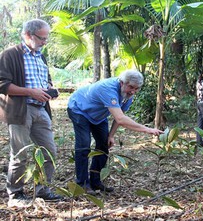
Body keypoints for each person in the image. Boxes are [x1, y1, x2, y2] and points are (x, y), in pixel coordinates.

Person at [67, 69, 163, 193]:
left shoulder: (127, 96)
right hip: (79, 109)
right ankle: (82, 183)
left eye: (137, 88)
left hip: (99, 115)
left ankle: (95, 181)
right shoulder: (108, 89)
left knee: (104, 145)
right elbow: (120, 118)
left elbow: (119, 117)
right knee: (84, 145)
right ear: (122, 82)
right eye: (131, 87)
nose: (133, 91)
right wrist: (147, 129)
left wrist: (111, 136)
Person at [0, 19, 62, 208]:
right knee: (21, 153)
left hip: (41, 110)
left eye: (46, 38)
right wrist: (30, 91)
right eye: (41, 38)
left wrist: (49, 88)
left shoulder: (40, 56)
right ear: (28, 35)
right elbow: (2, 84)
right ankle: (15, 193)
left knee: (49, 151)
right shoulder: (10, 55)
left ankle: (42, 189)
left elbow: (44, 77)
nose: (44, 42)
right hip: (21, 110)